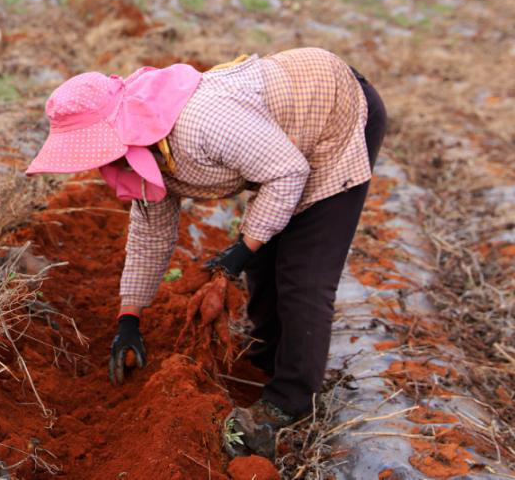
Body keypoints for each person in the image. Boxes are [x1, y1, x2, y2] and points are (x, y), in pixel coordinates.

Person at [26, 47, 386, 459]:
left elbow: (288, 171)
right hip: (287, 145)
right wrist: (130, 319)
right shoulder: (142, 150)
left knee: (302, 273)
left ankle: (288, 403)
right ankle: (267, 361)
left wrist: (237, 253)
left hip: (334, 113)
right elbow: (150, 235)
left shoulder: (200, 123)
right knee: (265, 260)